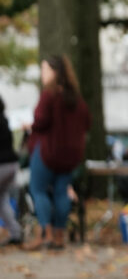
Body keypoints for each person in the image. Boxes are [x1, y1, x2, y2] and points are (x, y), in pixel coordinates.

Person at [23, 55, 91, 251]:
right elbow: (87, 122)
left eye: (45, 69)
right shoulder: (75, 98)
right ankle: (60, 236)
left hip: (47, 153)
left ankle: (46, 234)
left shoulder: (49, 94)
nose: (42, 74)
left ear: (54, 72)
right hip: (69, 156)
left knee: (38, 190)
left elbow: (41, 120)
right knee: (62, 192)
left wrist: (31, 125)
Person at [0, 94, 22, 246]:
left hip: (2, 165)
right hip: (11, 164)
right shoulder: (4, 119)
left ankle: (16, 232)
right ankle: (16, 233)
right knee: (2, 200)